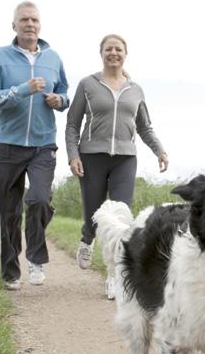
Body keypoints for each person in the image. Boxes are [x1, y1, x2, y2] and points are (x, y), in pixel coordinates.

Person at [66, 34, 169, 299]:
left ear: (125, 54)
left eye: (118, 49)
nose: (114, 53)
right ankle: (87, 238)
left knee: (120, 218)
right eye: (109, 49)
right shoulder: (88, 84)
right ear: (101, 53)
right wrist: (73, 155)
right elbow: (73, 124)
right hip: (92, 156)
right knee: (94, 214)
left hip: (125, 158)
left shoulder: (135, 89)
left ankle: (114, 277)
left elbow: (145, 127)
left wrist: (159, 150)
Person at [0, 1, 69, 290]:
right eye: (23, 20)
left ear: (40, 25)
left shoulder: (53, 57)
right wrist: (20, 91)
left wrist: (60, 101)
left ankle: (35, 257)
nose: (29, 24)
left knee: (40, 199)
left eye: (34, 20)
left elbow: (64, 91)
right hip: (8, 145)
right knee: (9, 211)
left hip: (43, 145)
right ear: (14, 25)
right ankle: (10, 271)